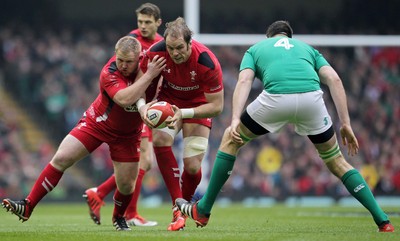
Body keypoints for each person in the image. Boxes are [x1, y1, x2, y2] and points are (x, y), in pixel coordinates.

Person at [175, 20, 395, 233]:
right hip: (312, 101)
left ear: (269, 37)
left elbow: (244, 82)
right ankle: (383, 221)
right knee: (338, 162)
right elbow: (334, 80)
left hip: (276, 98)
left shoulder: (256, 49)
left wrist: (234, 120)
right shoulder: (308, 49)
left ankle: (203, 209)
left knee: (230, 140)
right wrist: (345, 123)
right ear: (290, 37)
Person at [2, 36, 166, 231]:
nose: (122, 65)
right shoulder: (109, 71)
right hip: (97, 123)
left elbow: (168, 47)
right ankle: (27, 205)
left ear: (139, 57)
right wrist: (149, 76)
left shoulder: (151, 64)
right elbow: (124, 99)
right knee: (61, 158)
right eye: (120, 59)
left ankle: (118, 217)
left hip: (128, 135)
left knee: (127, 186)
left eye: (128, 61)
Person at [82, 2, 164, 227]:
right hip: (133, 107)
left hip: (147, 105)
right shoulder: (131, 42)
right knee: (143, 161)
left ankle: (100, 193)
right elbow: (122, 73)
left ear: (158, 23)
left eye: (148, 22)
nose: (143, 26)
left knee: (145, 163)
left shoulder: (161, 44)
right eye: (140, 22)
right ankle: (129, 213)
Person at [140, 17, 224, 231]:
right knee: (159, 139)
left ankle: (184, 210)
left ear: (190, 43)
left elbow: (217, 106)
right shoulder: (156, 53)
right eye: (170, 48)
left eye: (179, 48)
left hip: (198, 106)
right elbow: (139, 82)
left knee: (194, 167)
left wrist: (184, 113)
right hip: (169, 101)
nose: (175, 53)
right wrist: (143, 107)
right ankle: (178, 208)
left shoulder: (206, 61)